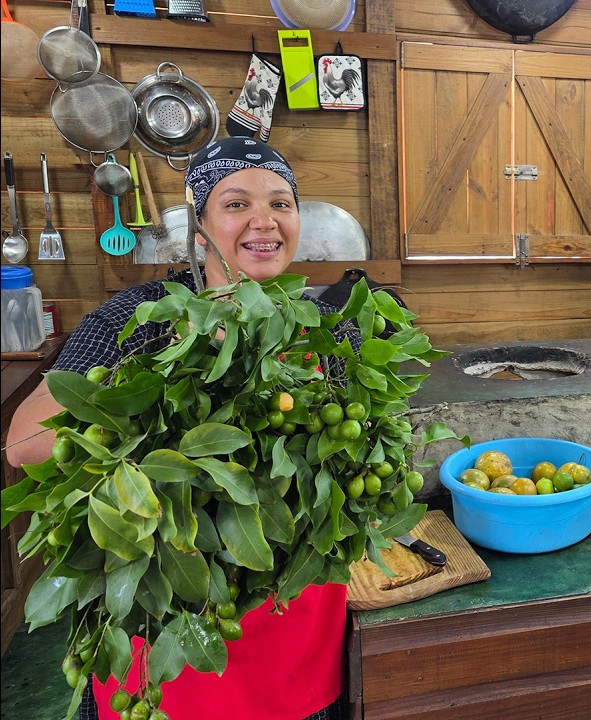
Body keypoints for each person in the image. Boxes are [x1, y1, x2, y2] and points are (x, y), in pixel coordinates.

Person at [5, 137, 353, 720]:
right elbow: (24, 441)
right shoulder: (138, 319)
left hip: (292, 627)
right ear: (200, 230)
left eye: (282, 203)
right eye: (236, 204)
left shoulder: (329, 331)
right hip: (168, 621)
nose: (263, 221)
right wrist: (168, 416)